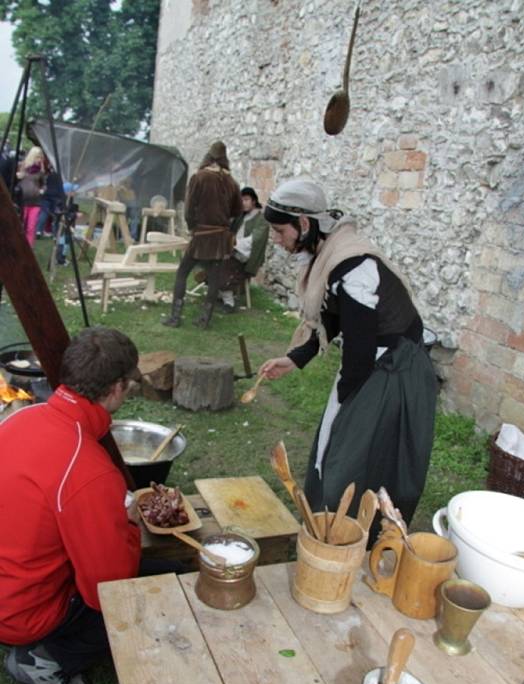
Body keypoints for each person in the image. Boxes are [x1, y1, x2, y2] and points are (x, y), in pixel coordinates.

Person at [260, 179, 437, 545]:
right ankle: (329, 527)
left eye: (280, 230)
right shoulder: (330, 254)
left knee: (349, 454)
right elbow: (334, 318)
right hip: (373, 362)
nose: (276, 239)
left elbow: (357, 359)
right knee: (340, 447)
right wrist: (295, 358)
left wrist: (344, 403)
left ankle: (355, 536)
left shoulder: (353, 265)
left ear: (305, 225)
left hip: (396, 371)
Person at [0, 327, 146, 684]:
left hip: (7, 582)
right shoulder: (89, 470)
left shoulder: (19, 419)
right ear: (116, 388)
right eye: (131, 383)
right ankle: (43, 660)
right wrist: (129, 524)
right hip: (19, 611)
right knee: (142, 593)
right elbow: (107, 588)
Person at [163, 140, 242, 329]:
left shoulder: (199, 177)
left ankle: (175, 317)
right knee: (214, 277)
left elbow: (189, 209)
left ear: (208, 156)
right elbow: (237, 211)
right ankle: (204, 320)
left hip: (202, 235)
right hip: (220, 237)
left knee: (183, 272)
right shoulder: (232, 182)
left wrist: (193, 228)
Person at [218, 186, 270, 313]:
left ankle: (229, 302)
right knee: (213, 259)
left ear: (254, 201)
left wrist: (234, 244)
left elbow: (255, 240)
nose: (243, 203)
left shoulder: (261, 219)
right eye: (241, 200)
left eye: (246, 200)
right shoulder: (241, 216)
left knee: (224, 263)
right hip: (234, 250)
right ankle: (221, 290)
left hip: (248, 256)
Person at [16, 145, 46, 246]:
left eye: (41, 157)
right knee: (21, 225)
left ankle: (29, 248)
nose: (40, 159)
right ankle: (19, 246)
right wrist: (19, 176)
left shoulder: (40, 171)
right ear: (33, 156)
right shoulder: (24, 167)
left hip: (35, 202)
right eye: (38, 157)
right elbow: (18, 180)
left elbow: (44, 184)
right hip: (23, 201)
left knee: (31, 227)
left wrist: (42, 190)